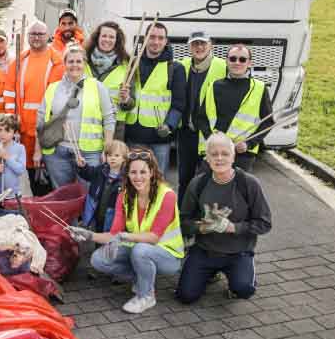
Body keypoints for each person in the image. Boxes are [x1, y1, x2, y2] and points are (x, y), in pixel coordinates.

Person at [81, 147, 185, 314]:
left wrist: (126, 236)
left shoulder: (167, 195)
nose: (138, 177)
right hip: (139, 248)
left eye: (143, 172)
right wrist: (89, 235)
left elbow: (154, 237)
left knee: (140, 250)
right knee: (98, 260)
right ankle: (143, 277)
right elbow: (114, 234)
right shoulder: (124, 195)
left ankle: (146, 296)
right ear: (127, 174)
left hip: (168, 256)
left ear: (152, 172)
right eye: (133, 172)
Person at [176, 133, 272, 304]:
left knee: (244, 289)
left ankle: (241, 275)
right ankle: (211, 272)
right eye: (214, 154)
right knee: (186, 296)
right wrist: (201, 227)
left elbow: (264, 223)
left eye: (225, 154)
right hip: (205, 250)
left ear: (233, 156)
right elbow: (182, 222)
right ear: (207, 158)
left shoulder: (249, 183)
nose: (219, 158)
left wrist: (233, 228)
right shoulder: (198, 184)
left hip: (238, 252)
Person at [37, 45, 115, 189]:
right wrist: (37, 151)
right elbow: (41, 119)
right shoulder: (53, 88)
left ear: (84, 64)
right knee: (62, 195)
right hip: (58, 152)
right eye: (71, 61)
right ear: (64, 63)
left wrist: (107, 148)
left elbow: (109, 118)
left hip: (89, 152)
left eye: (78, 61)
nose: (75, 65)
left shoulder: (98, 87)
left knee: (88, 196)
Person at [3, 20, 64, 195]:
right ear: (28, 36)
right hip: (23, 131)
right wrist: (11, 122)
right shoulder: (19, 61)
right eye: (33, 34)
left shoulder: (57, 62)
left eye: (40, 34)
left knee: (49, 177)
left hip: (47, 132)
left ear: (48, 36)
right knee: (30, 174)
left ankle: (48, 214)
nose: (37, 37)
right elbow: (9, 93)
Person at [118, 22, 186, 175]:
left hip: (160, 138)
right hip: (134, 135)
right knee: (134, 180)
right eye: (152, 37)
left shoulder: (175, 68)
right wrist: (125, 99)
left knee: (158, 181)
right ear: (145, 39)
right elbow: (128, 101)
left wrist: (169, 126)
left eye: (160, 38)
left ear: (166, 41)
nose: (156, 42)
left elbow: (179, 104)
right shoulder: (132, 64)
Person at [202, 44, 273, 172]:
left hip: (243, 156)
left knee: (239, 191)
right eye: (233, 58)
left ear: (249, 63)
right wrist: (212, 140)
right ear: (226, 61)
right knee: (207, 190)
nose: (237, 62)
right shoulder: (214, 86)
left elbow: (268, 122)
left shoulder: (259, 88)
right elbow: (200, 117)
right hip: (215, 152)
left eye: (242, 59)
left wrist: (248, 144)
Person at [177, 31, 227, 204]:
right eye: (195, 44)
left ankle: (203, 220)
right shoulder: (181, 65)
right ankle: (182, 220)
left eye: (203, 43)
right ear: (189, 47)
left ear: (210, 45)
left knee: (208, 179)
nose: (199, 47)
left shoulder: (222, 66)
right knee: (184, 179)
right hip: (186, 134)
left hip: (209, 135)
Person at [84, 21, 131, 140]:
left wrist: (126, 100)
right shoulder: (83, 61)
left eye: (111, 37)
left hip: (115, 125)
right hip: (86, 122)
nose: (107, 39)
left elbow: (131, 103)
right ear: (97, 38)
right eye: (104, 36)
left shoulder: (126, 65)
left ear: (117, 40)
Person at [77, 140, 128, 232]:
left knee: (109, 237)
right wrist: (83, 167)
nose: (112, 158)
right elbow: (89, 174)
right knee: (98, 233)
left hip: (112, 216)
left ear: (124, 158)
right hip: (97, 212)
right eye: (109, 155)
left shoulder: (126, 178)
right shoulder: (101, 169)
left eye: (116, 156)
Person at [0, 114, 27, 198]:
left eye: (7, 131)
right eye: (0, 130)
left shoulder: (20, 148)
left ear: (14, 132)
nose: (2, 134)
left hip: (14, 195)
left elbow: (21, 170)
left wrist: (7, 158)